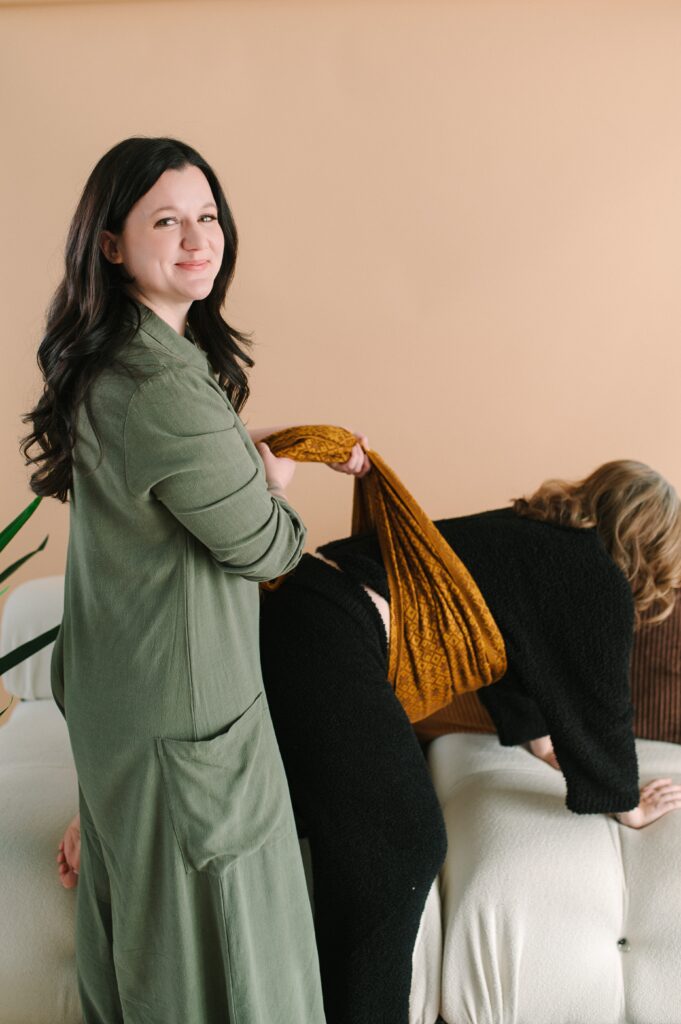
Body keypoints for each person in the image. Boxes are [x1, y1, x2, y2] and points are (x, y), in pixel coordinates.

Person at [23, 135, 368, 1024]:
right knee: (211, 953)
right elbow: (266, 548)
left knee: (144, 930)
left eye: (207, 216)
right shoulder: (159, 387)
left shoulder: (120, 361)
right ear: (110, 244)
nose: (196, 238)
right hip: (182, 716)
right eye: (166, 220)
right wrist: (274, 488)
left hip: (124, 695)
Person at [255, 458, 681, 1024]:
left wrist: (536, 740)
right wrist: (623, 801)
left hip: (306, 606)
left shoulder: (528, 533)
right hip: (335, 630)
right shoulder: (595, 575)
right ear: (652, 547)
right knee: (404, 844)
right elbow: (602, 701)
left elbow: (505, 643)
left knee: (312, 820)